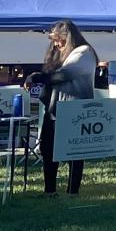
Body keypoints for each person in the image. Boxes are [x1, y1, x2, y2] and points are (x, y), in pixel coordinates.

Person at [30, 20, 98, 196]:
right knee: (48, 149)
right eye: (54, 40)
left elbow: (65, 74)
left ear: (68, 38)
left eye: (59, 40)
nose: (56, 44)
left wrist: (37, 77)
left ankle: (72, 191)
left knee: (74, 151)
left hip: (74, 108)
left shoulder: (84, 52)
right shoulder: (61, 53)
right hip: (54, 108)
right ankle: (49, 191)